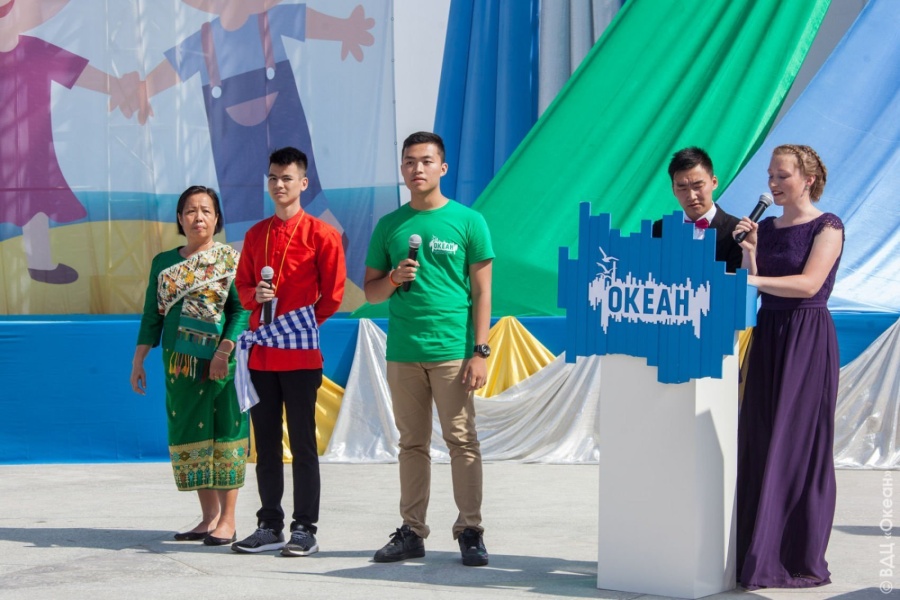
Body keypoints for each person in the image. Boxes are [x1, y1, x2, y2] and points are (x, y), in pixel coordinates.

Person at [363, 131, 494, 567]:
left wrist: (480, 351)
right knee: (411, 444)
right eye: (409, 162)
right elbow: (372, 292)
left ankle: (470, 529)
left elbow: (483, 292)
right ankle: (412, 531)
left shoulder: (469, 221)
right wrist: (394, 278)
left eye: (425, 161)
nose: (416, 169)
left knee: (462, 440)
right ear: (402, 169)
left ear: (443, 167)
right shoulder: (389, 226)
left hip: (452, 351)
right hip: (403, 351)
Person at [732, 144, 844, 589]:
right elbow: (756, 285)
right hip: (769, 334)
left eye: (782, 176)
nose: (773, 184)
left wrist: (751, 280)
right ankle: (754, 548)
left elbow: (809, 284)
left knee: (796, 444)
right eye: (771, 176)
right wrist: (751, 252)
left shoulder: (827, 225)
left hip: (807, 336)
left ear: (807, 180)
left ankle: (796, 555)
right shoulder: (766, 227)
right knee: (760, 438)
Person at [232, 146, 345, 557]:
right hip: (261, 357)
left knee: (302, 445)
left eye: (287, 178)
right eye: (273, 178)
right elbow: (242, 286)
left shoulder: (322, 234)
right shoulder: (255, 235)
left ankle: (304, 528)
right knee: (264, 445)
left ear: (303, 183)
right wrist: (254, 296)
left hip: (299, 356)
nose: (279, 185)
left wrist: (297, 328)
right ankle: (268, 525)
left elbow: (332, 296)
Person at [130, 185, 249, 546]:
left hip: (221, 364)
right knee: (190, 432)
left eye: (206, 211)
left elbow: (241, 311)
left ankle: (228, 520)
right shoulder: (164, 263)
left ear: (217, 218)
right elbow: (152, 314)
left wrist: (223, 353)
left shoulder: (230, 259)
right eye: (191, 211)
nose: (199, 217)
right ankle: (208, 517)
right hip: (180, 365)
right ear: (180, 219)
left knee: (225, 432)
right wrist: (139, 359)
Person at [652, 146, 743, 273]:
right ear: (673, 190)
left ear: (714, 182)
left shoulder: (737, 232)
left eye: (698, 186)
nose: (691, 196)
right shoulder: (660, 229)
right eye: (682, 188)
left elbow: (738, 279)